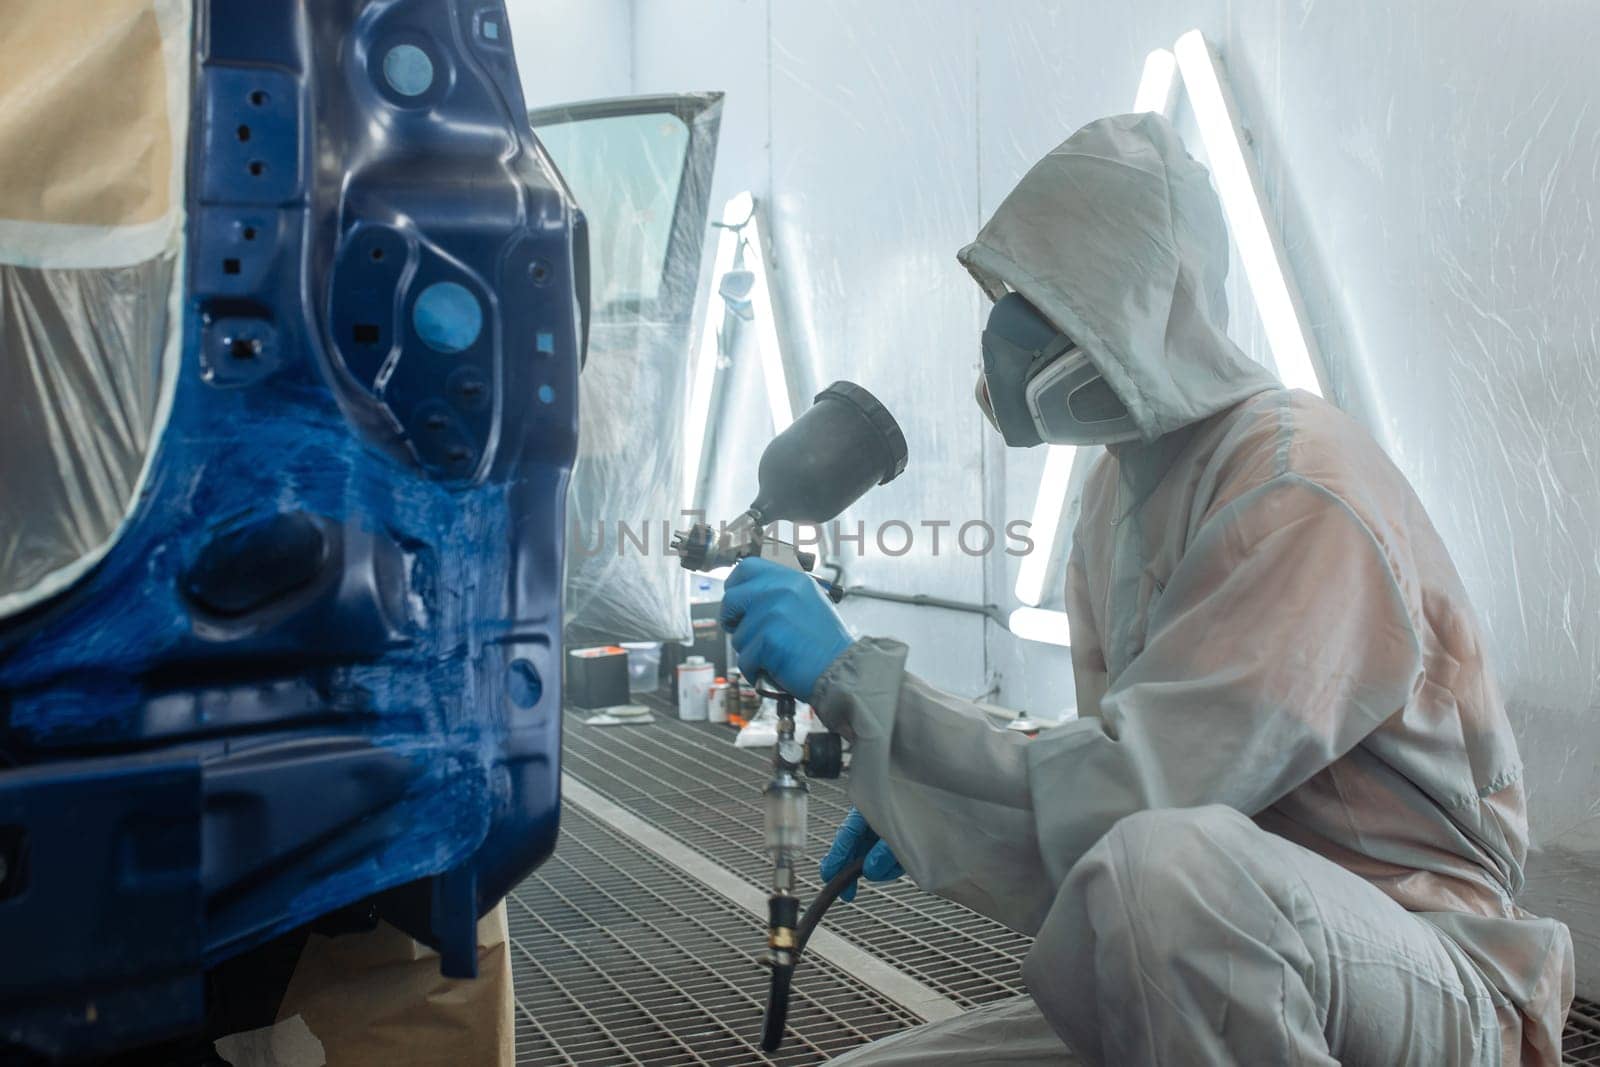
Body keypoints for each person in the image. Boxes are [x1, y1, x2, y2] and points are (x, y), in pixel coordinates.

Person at [719, 114, 1574, 1065]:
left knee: (1165, 874)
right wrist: (930, 798)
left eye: (1042, 301)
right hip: (1227, 957)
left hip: (1420, 965)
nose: (1004, 337)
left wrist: (861, 686)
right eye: (1009, 296)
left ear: (1128, 312)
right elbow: (1107, 783)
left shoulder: (1294, 485)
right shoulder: (1115, 495)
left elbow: (1142, 799)